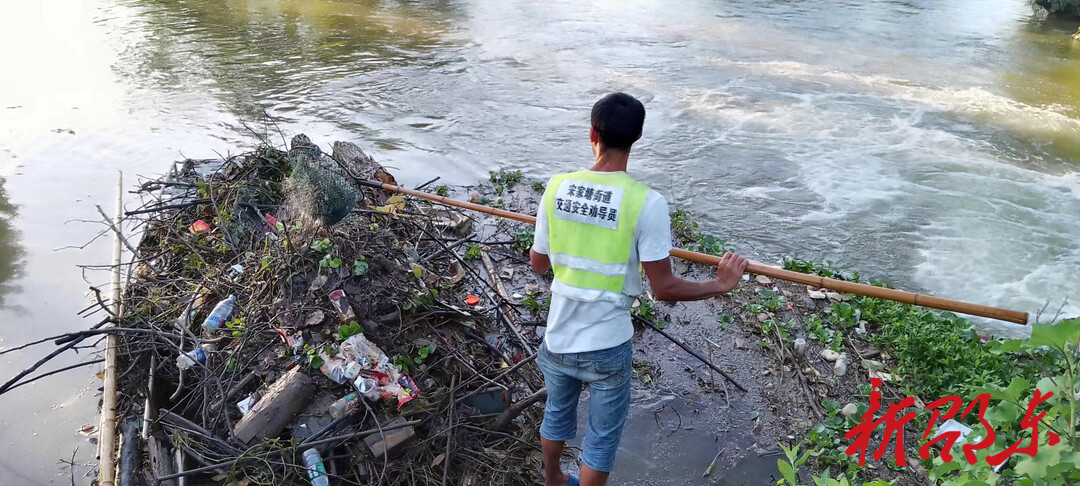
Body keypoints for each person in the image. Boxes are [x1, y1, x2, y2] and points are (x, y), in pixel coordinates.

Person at [529, 92, 749, 486]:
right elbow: (663, 288)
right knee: (601, 438)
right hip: (607, 345)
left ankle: (553, 481)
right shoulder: (647, 203)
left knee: (556, 415)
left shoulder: (557, 186)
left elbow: (538, 262)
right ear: (639, 136)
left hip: (559, 335)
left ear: (592, 133)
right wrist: (720, 283)